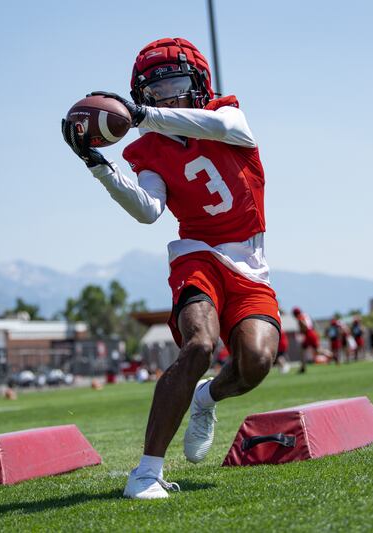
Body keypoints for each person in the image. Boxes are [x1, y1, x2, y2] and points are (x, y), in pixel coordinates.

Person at [62, 37, 281, 499]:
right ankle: (146, 473)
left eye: (177, 85)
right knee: (199, 344)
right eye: (156, 92)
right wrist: (96, 163)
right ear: (143, 97)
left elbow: (213, 126)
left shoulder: (229, 117)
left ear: (199, 85)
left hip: (249, 259)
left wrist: (144, 115)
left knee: (256, 362)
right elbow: (147, 210)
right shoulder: (150, 149)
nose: (168, 97)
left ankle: (207, 398)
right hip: (197, 252)